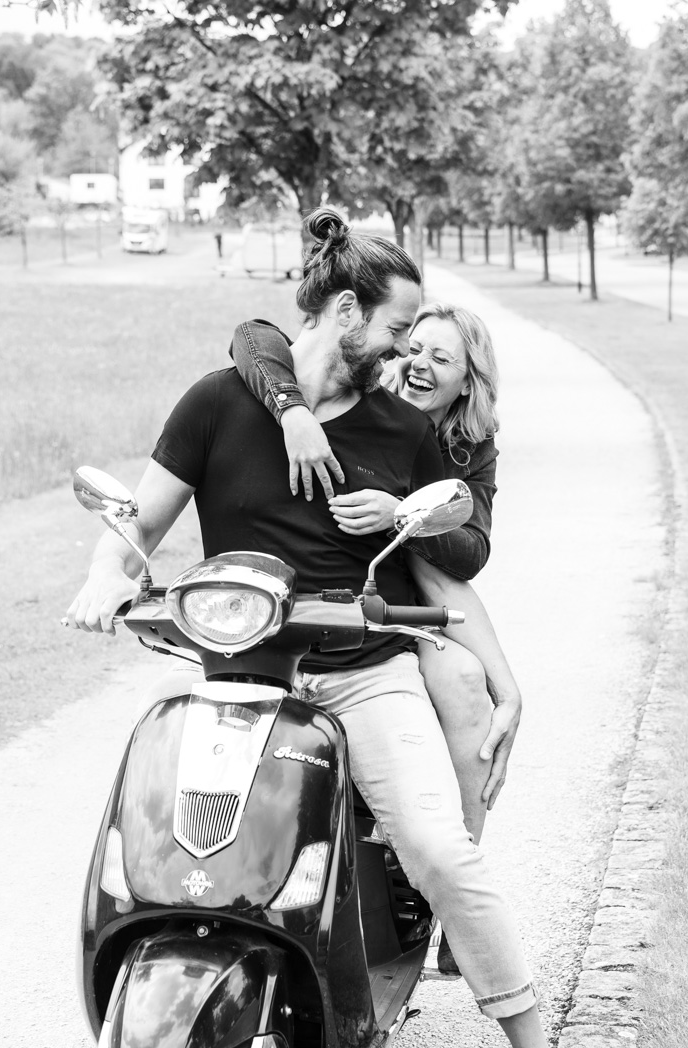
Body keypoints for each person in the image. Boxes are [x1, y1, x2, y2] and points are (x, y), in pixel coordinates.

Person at [67, 207, 547, 1048]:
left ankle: (530, 1031)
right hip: (236, 670)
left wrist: (501, 675)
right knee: (153, 832)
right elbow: (138, 523)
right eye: (398, 329)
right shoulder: (219, 402)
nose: (404, 353)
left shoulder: (403, 431)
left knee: (438, 846)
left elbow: (439, 567)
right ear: (349, 313)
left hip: (366, 670)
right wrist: (105, 576)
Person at [231, 301, 511, 977]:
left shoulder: (469, 449)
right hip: (340, 602)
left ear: (468, 381)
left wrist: (401, 516)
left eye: (441, 359)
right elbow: (255, 336)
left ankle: (444, 893)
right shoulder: (365, 399)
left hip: (411, 609)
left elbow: (467, 557)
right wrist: (293, 407)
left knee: (469, 687)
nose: (417, 364)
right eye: (412, 347)